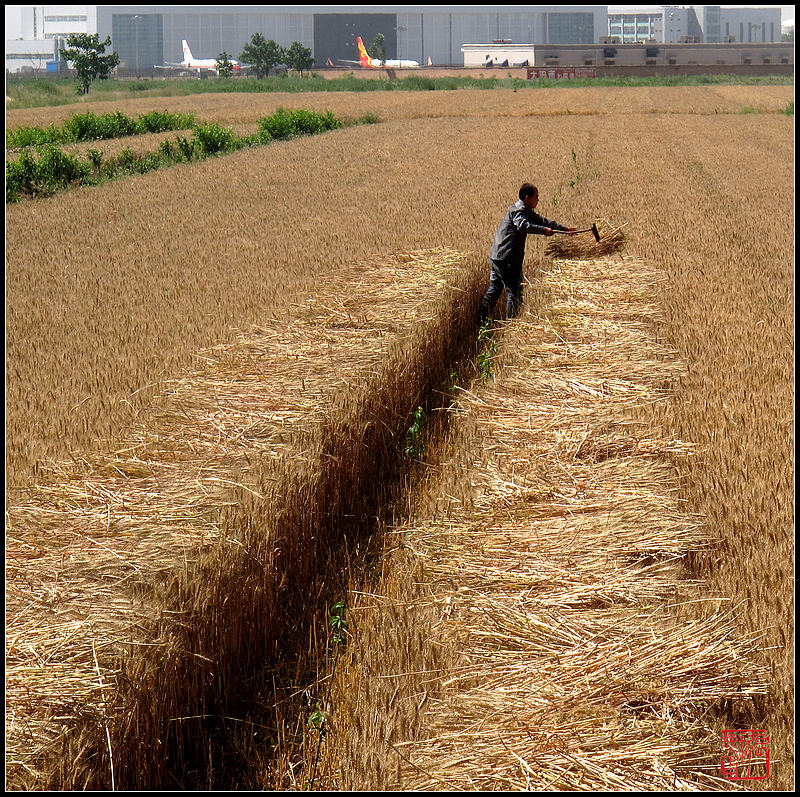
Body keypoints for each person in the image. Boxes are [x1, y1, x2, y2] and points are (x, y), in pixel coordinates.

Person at [479, 183, 578, 324]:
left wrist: (565, 230)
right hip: (507, 259)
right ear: (527, 198)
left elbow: (542, 221)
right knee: (514, 293)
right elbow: (523, 225)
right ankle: (512, 325)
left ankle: (482, 321)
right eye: (536, 197)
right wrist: (544, 231)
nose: (538, 199)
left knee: (495, 288)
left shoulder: (523, 210)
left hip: (497, 257)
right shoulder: (519, 211)